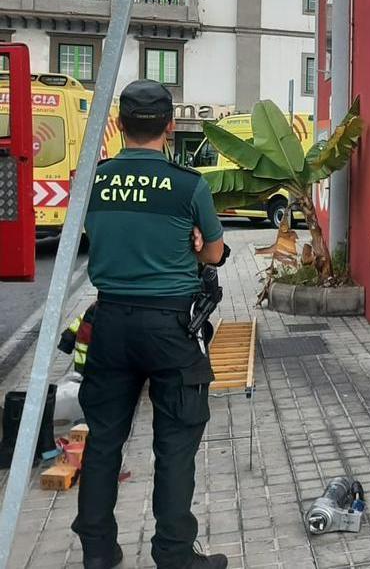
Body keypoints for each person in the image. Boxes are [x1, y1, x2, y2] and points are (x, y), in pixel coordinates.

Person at [72, 80, 228, 569]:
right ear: (169, 126)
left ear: (119, 126)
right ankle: (175, 554)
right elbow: (214, 252)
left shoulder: (91, 180)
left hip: (111, 322)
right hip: (170, 328)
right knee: (176, 443)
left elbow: (89, 233)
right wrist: (191, 243)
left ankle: (98, 552)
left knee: (102, 441)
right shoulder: (188, 184)